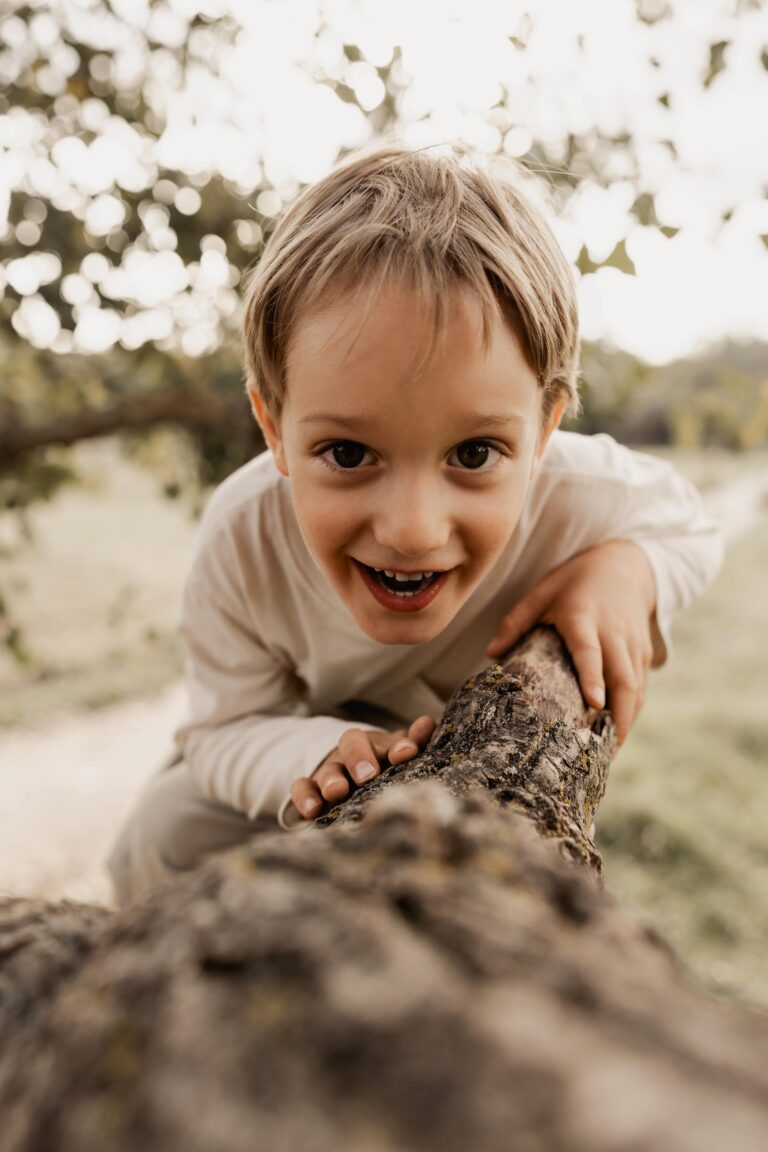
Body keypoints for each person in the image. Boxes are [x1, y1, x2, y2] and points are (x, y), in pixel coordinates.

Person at [107, 143, 722, 905]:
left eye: (473, 452)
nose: (410, 529)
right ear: (273, 428)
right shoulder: (244, 535)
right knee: (157, 837)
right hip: (306, 732)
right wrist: (318, 752)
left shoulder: (584, 488)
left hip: (478, 753)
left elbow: (695, 527)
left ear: (543, 431)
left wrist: (631, 570)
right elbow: (222, 730)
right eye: (347, 451)